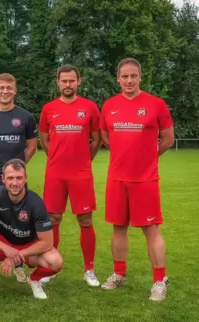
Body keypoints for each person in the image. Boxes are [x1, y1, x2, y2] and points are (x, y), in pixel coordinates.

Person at [100, 58, 174, 301]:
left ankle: (160, 280)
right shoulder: (109, 105)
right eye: (125, 76)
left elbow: (168, 139)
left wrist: (147, 158)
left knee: (150, 229)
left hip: (145, 180)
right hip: (117, 179)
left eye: (133, 76)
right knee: (118, 227)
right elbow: (105, 135)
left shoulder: (156, 104)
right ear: (118, 79)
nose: (129, 80)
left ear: (140, 77)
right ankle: (119, 274)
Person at [38, 65, 101, 286]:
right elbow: (45, 140)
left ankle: (89, 269)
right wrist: (56, 157)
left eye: (71, 81)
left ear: (78, 82)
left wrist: (83, 160)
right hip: (55, 172)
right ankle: (51, 267)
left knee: (85, 220)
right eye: (64, 81)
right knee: (53, 219)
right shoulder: (48, 109)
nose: (68, 85)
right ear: (58, 82)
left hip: (81, 173)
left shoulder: (90, 107)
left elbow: (96, 139)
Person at [0, 159, 63, 302]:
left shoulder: (36, 203)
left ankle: (34, 280)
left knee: (56, 261)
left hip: (27, 247)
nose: (15, 183)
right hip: (2, 244)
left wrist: (15, 256)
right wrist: (6, 249)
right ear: (3, 179)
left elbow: (47, 243)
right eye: (10, 178)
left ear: (25, 178)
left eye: (19, 178)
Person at [0, 73, 38, 282]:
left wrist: (15, 171)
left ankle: (18, 263)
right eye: (1, 88)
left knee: (17, 223)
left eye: (9, 88)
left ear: (15, 90)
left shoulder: (26, 117)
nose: (5, 91)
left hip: (16, 182)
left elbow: (31, 147)